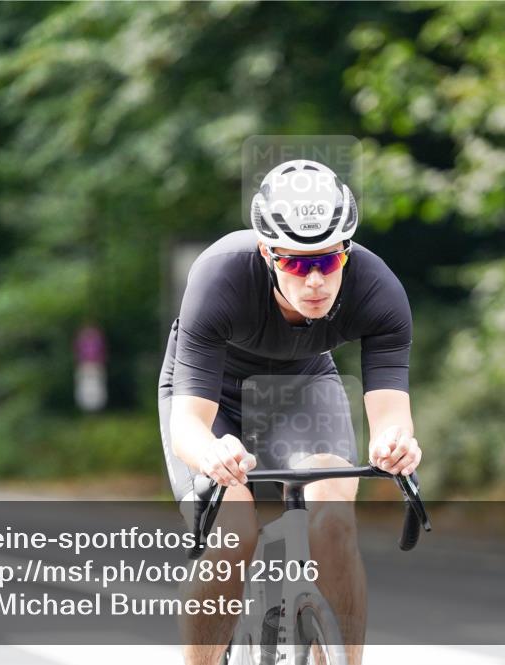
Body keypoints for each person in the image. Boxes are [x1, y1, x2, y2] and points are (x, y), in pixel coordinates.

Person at [158, 159, 420, 665]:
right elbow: (188, 424)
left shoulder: (377, 289)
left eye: (329, 259)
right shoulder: (219, 275)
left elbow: (391, 415)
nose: (316, 279)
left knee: (335, 523)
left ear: (347, 251)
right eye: (297, 263)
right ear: (267, 253)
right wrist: (212, 453)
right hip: (211, 397)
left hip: (302, 384)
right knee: (234, 532)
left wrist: (396, 443)